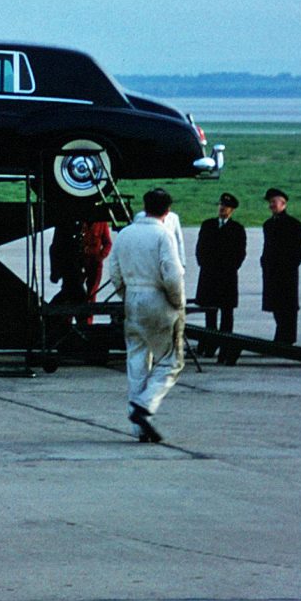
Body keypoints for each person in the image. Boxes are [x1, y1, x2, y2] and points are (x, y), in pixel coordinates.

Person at [110, 187, 187, 443]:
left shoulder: (126, 234)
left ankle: (139, 426)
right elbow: (173, 274)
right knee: (171, 361)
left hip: (132, 298)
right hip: (158, 300)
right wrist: (177, 302)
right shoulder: (163, 235)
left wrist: (127, 294)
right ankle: (145, 406)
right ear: (167, 211)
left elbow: (115, 272)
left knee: (137, 363)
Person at [194, 192, 247, 364]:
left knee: (227, 314)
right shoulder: (208, 225)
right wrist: (205, 264)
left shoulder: (237, 229)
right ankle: (210, 345)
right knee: (210, 313)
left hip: (227, 277)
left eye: (226, 207)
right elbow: (200, 248)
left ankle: (225, 346)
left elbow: (240, 253)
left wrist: (228, 268)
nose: (222, 209)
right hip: (209, 275)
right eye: (221, 206)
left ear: (232, 210)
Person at [258, 187, 301, 344]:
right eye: (270, 202)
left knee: (288, 307)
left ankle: (287, 338)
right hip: (271, 272)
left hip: (286, 273)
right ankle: (281, 336)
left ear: (283, 204)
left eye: (274, 202)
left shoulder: (293, 224)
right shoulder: (268, 224)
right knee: (276, 306)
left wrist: (289, 265)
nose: (271, 205)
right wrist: (264, 262)